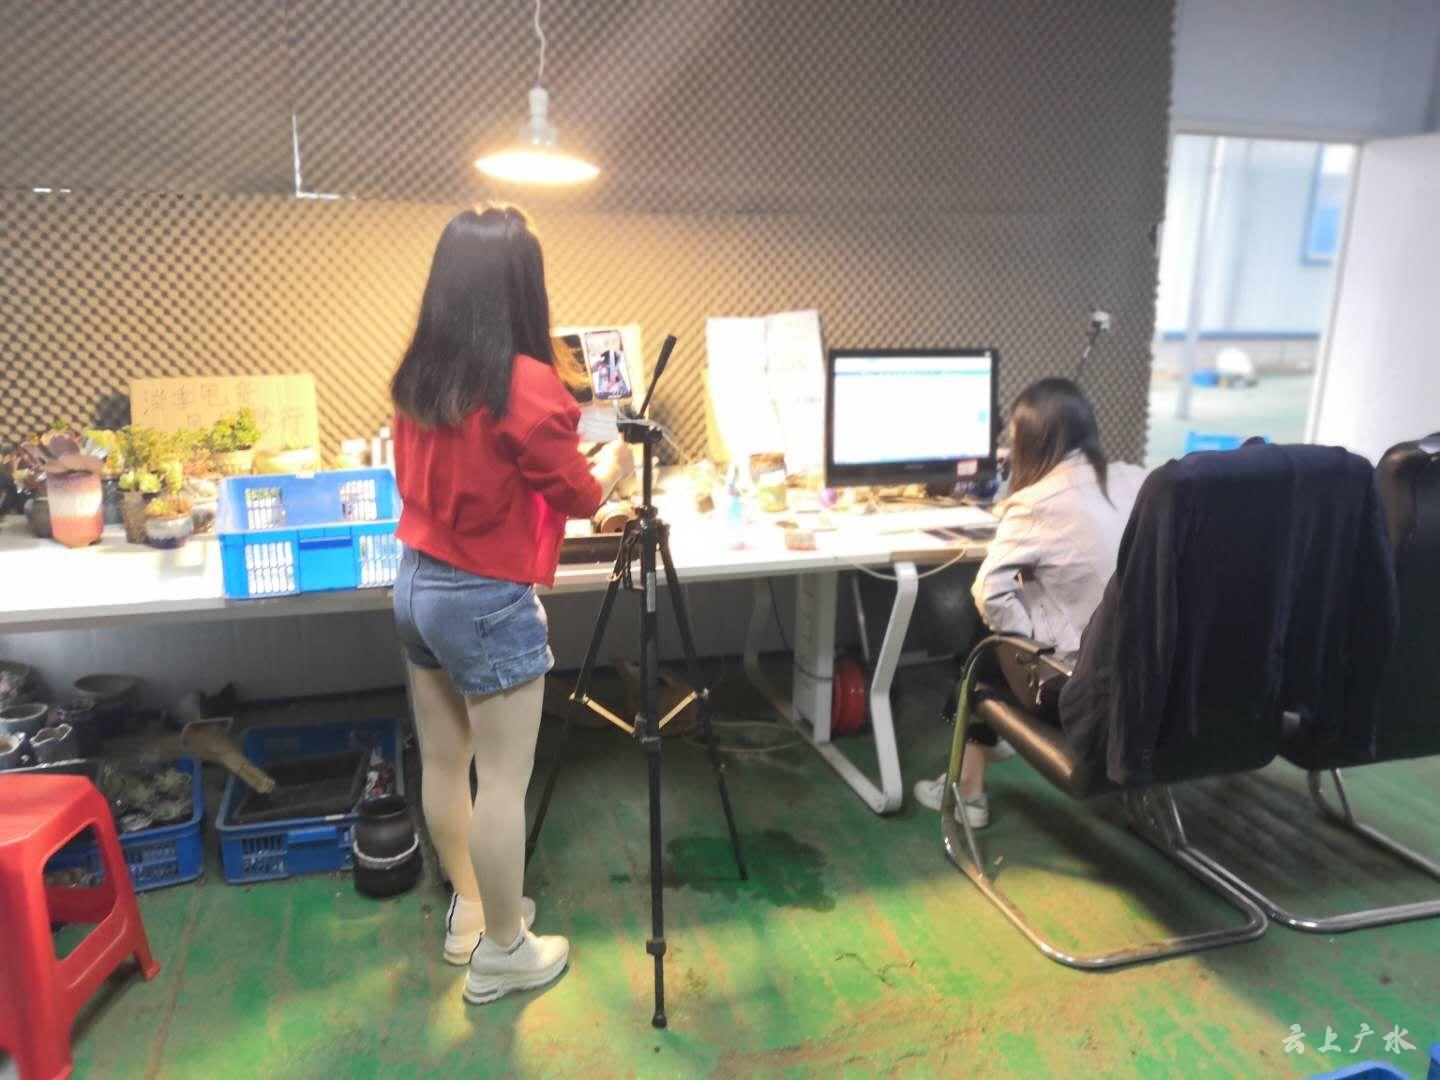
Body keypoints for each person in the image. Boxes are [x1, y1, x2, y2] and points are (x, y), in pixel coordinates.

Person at [390, 205, 633, 1005]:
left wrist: (591, 436)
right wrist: (618, 463)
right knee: (501, 782)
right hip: (484, 600)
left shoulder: (423, 371)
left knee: (445, 763)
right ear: (523, 283)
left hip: (416, 583)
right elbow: (579, 492)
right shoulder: (524, 384)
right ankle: (504, 952)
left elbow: (531, 440)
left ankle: (471, 912)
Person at [913, 378, 1146, 827]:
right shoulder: (1136, 479)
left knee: (985, 634)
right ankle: (983, 749)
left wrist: (1029, 649)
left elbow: (989, 591)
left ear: (1030, 442)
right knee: (1007, 614)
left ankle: (969, 790)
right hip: (1148, 680)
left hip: (1083, 693)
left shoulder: (1036, 503)